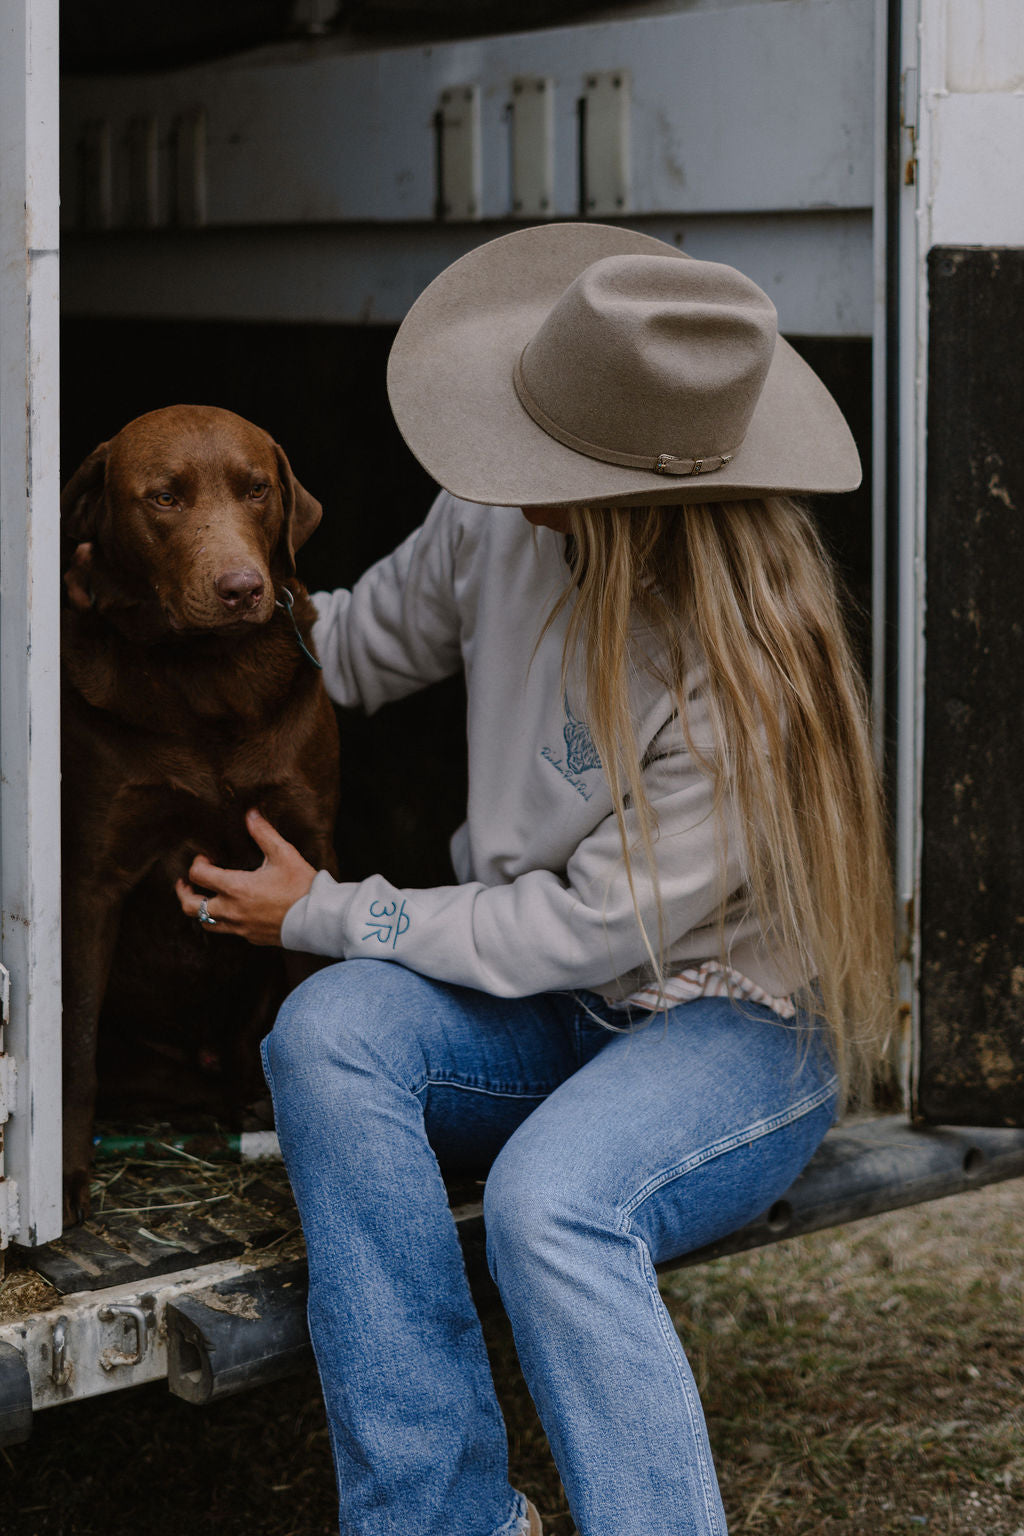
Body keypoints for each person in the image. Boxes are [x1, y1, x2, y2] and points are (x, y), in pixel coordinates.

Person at [175, 223, 894, 1536]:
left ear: (635, 493)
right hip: (555, 1004)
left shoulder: (741, 673)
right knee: (329, 1035)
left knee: (553, 1202)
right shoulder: (500, 517)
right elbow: (354, 643)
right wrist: (190, 591)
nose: (501, 466)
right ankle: (438, 1517)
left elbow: (569, 928)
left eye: (539, 453)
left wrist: (333, 913)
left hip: (726, 1025)